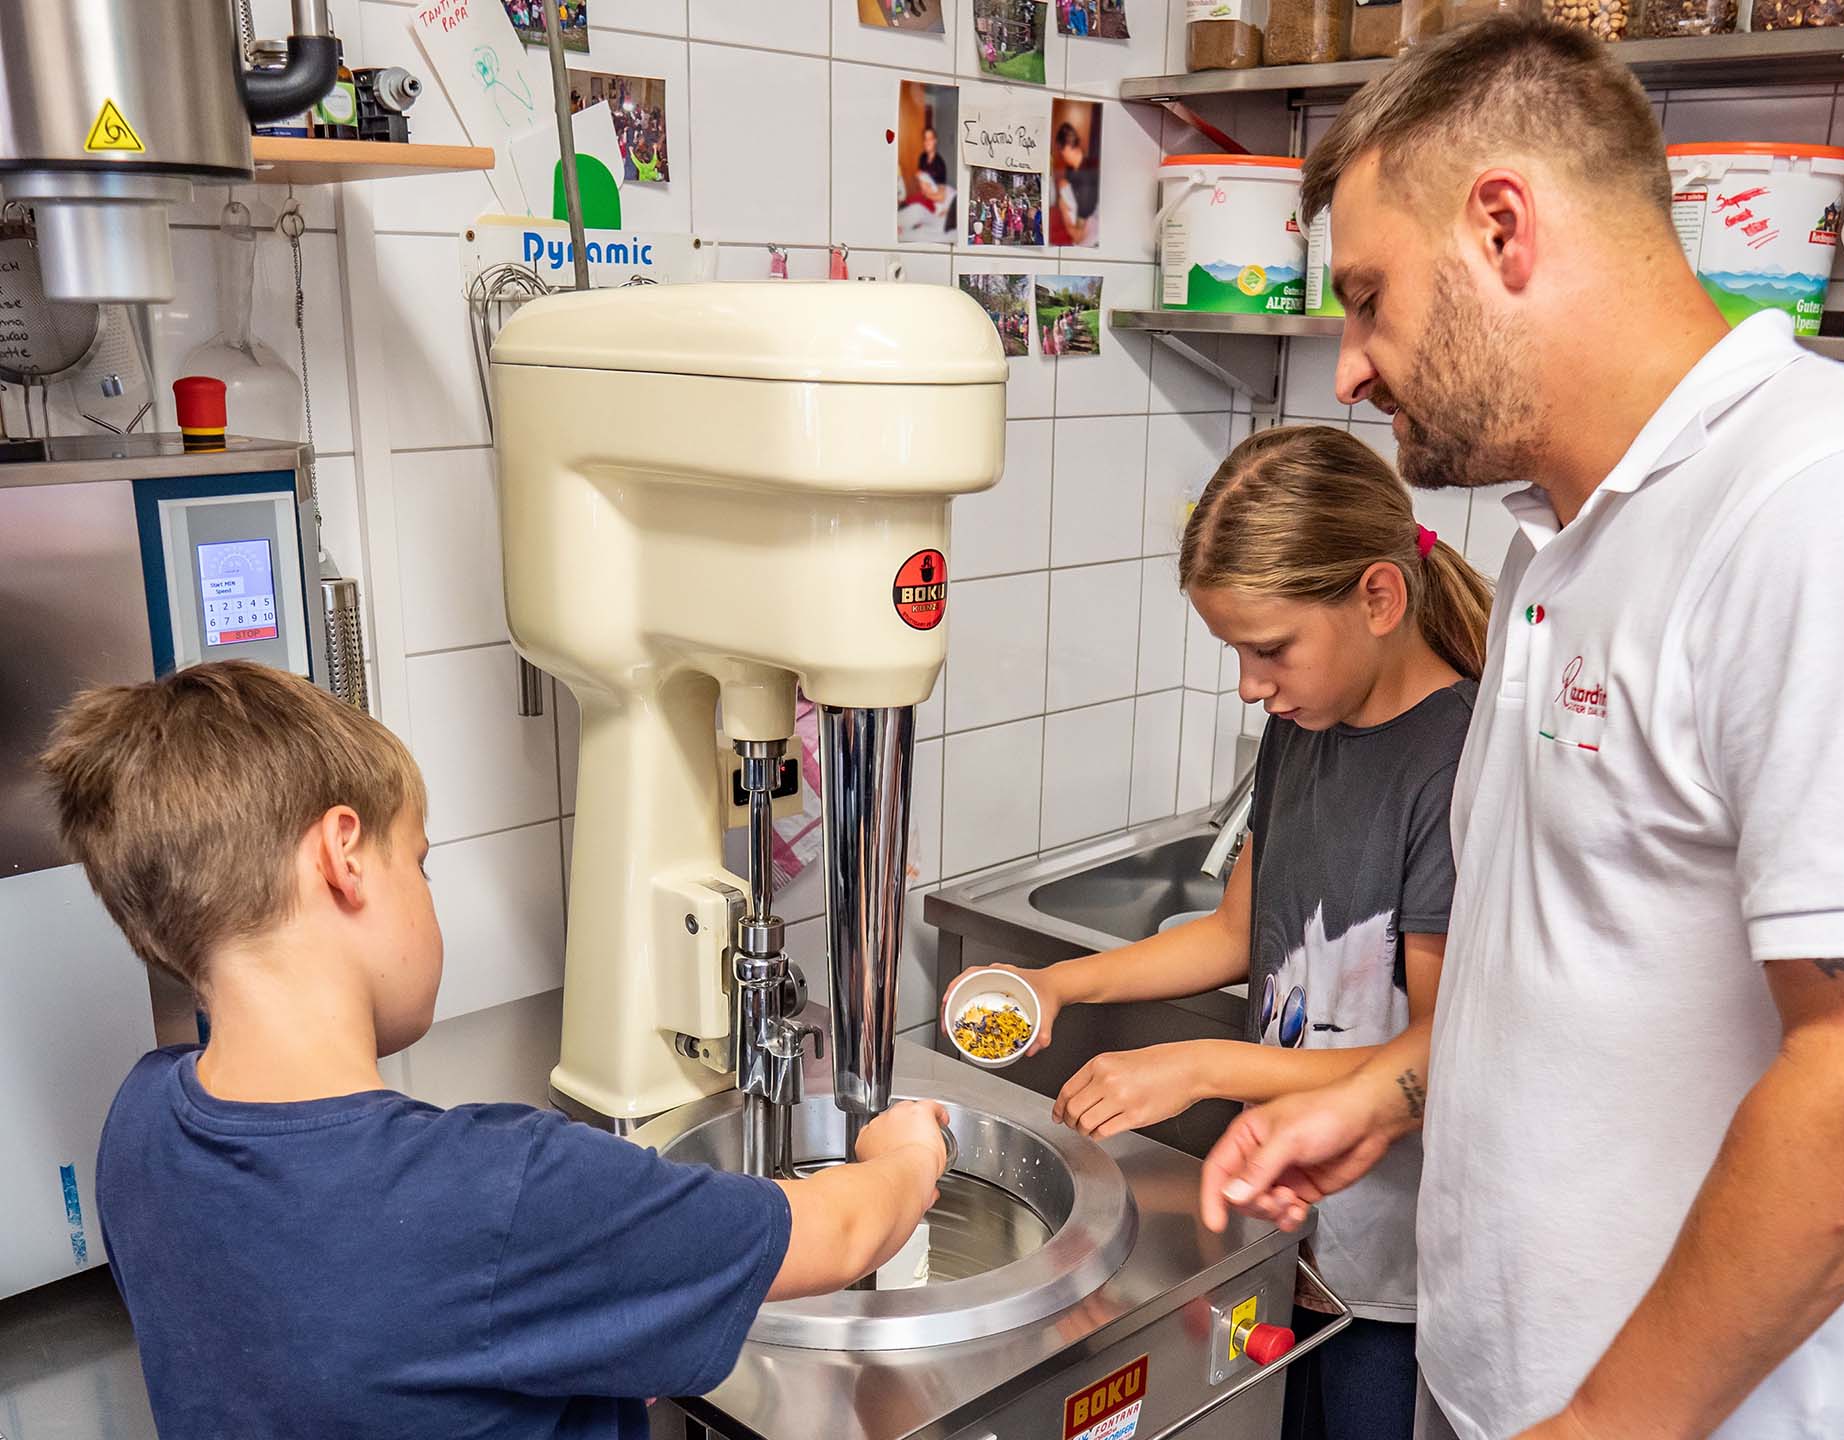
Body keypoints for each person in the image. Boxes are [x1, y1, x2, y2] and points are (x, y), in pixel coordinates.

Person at [1199, 18, 1844, 1440]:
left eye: (1367, 296)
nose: (1347, 367)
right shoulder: (1559, 539)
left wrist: (1599, 1428)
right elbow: (1566, 968)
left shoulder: (1829, 507)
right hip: (1504, 1389)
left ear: (1505, 227)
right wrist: (1393, 1092)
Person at [43, 660, 951, 1440]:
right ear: (343, 857)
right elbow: (838, 1234)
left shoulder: (141, 1125)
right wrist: (907, 1153)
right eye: (421, 862)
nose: (429, 895)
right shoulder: (501, 1190)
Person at [949, 426, 1492, 1440]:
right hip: (1283, 1233)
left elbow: (1439, 1053)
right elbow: (1239, 931)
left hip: (1390, 1275)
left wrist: (1202, 1065)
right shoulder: (1305, 725)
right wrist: (1065, 988)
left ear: (1378, 598)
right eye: (1236, 652)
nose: (1250, 684)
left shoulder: (1452, 768)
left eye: (1269, 649)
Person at [1050, 122, 1099, 247]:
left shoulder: (1088, 172)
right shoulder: (1072, 170)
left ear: (1066, 148)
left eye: (1061, 151)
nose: (1062, 155)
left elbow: (1086, 207)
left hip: (1090, 227)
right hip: (1077, 218)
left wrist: (1075, 229)